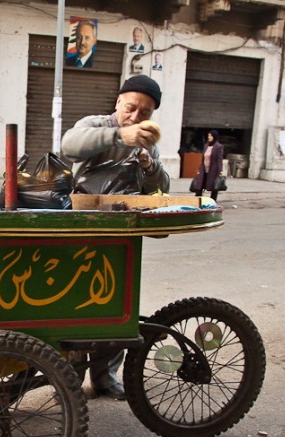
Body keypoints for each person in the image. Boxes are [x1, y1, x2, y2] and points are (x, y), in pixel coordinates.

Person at [61, 74, 170, 400]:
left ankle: (106, 378)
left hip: (123, 234)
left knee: (117, 307)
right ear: (118, 103)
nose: (136, 117)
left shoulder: (149, 142)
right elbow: (69, 145)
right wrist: (120, 135)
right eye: (131, 108)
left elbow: (161, 187)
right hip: (84, 229)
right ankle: (70, 382)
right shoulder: (95, 124)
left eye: (145, 113)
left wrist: (149, 165)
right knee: (78, 306)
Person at [192, 130, 224, 201]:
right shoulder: (206, 145)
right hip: (204, 169)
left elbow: (219, 159)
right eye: (208, 136)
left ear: (214, 137)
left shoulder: (219, 147)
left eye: (211, 136)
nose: (209, 137)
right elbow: (203, 159)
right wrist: (199, 168)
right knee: (199, 185)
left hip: (213, 170)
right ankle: (197, 200)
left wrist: (220, 170)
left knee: (214, 186)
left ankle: (213, 200)